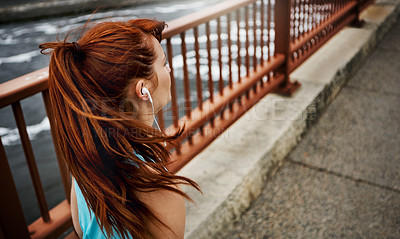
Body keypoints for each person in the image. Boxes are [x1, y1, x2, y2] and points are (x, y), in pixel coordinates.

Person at [39, 19, 200, 239]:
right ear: (143, 90)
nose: (169, 69)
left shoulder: (86, 168)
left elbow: (80, 230)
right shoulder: (157, 190)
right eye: (163, 63)